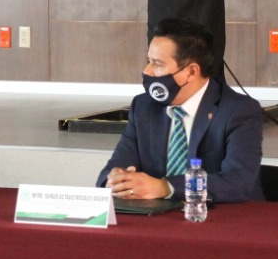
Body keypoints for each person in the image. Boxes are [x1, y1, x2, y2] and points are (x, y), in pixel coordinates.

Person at [98, 18, 264, 202]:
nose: (147, 71)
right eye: (148, 61)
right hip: (157, 214)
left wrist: (166, 187)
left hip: (222, 215)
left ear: (191, 71)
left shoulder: (239, 110)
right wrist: (115, 181)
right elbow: (115, 166)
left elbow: (238, 182)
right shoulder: (143, 106)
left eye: (157, 64)